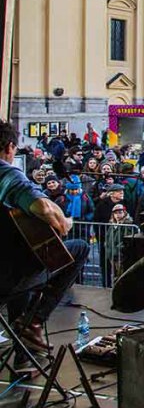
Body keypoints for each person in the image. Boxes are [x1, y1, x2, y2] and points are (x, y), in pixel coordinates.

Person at [0, 120, 89, 364]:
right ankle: (34, 321)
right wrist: (64, 222)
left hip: (11, 270)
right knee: (79, 248)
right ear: (9, 147)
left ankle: (24, 352)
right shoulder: (5, 173)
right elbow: (44, 208)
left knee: (23, 254)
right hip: (8, 280)